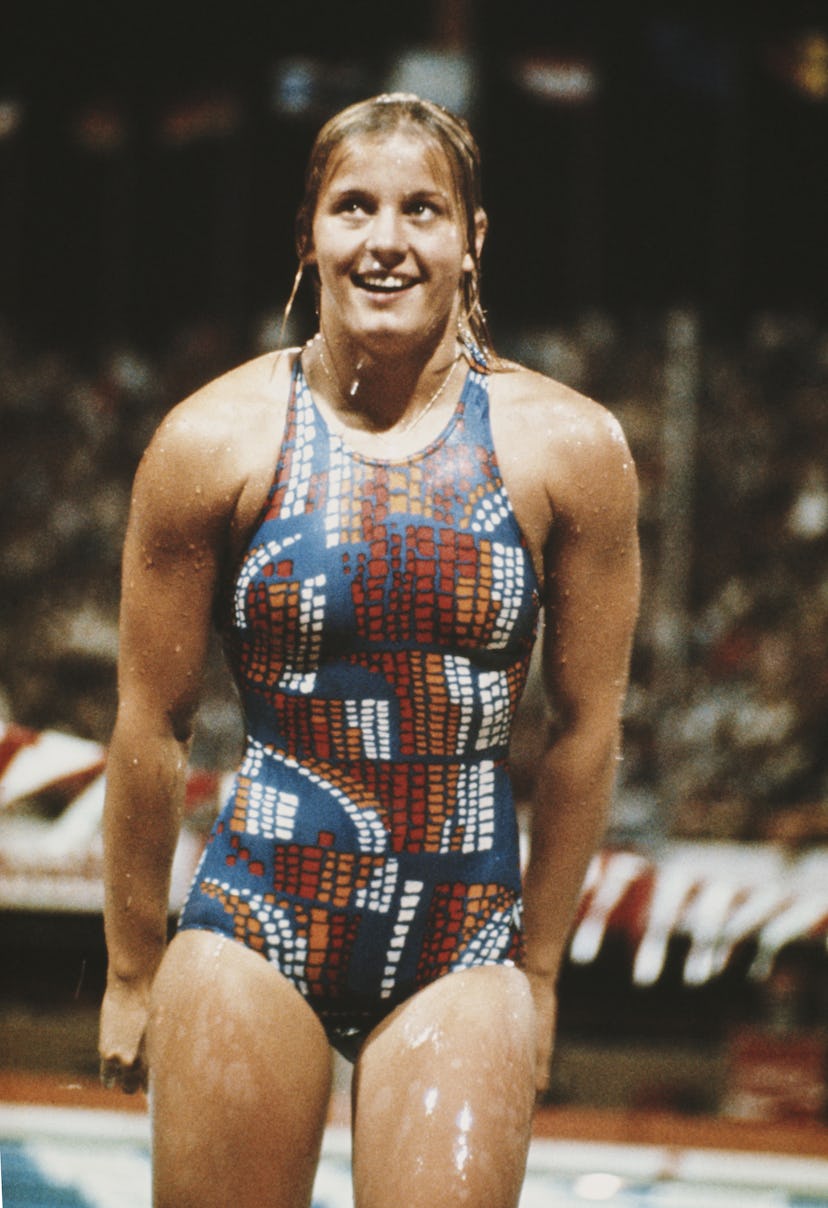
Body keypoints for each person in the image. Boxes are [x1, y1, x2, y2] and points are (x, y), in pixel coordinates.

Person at [98, 92, 640, 1208]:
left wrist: (537, 972)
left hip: (463, 937)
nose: (386, 239)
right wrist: (129, 966)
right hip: (256, 919)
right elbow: (151, 721)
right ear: (308, 235)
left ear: (471, 240)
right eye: (354, 207)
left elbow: (588, 731)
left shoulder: (568, 450)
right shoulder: (212, 442)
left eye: (421, 210)